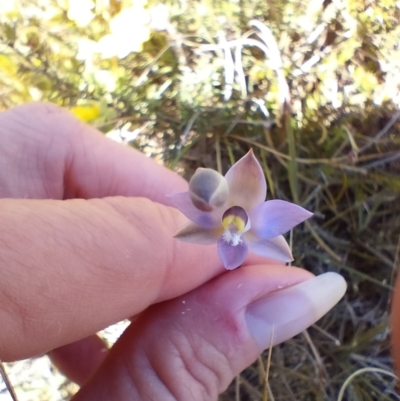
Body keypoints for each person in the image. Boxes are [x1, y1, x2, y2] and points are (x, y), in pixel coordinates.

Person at [0, 102, 349, 400]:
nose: (233, 227)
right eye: (230, 222)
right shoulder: (207, 223)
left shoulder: (255, 230)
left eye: (237, 225)